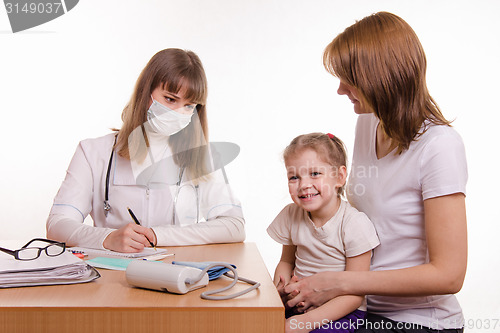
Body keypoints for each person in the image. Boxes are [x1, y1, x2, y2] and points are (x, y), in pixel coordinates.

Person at [283, 12, 468, 333]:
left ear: (381, 77)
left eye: (348, 79)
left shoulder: (439, 146)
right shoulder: (367, 123)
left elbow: (449, 275)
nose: (340, 89)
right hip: (359, 305)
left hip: (416, 320)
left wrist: (337, 282)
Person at [46, 49, 245, 252]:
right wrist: (107, 238)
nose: (178, 113)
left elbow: (234, 226)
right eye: (170, 99)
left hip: (175, 272)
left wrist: (158, 235)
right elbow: (58, 224)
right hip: (108, 274)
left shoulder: (203, 158)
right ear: (146, 91)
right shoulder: (93, 152)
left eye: (188, 106)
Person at [268, 133, 380, 333]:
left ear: (339, 177)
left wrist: (306, 322)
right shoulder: (291, 215)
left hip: (342, 312)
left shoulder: (354, 224)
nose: (303, 185)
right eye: (294, 177)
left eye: (315, 174)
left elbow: (355, 293)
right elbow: (286, 261)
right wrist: (281, 292)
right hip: (299, 304)